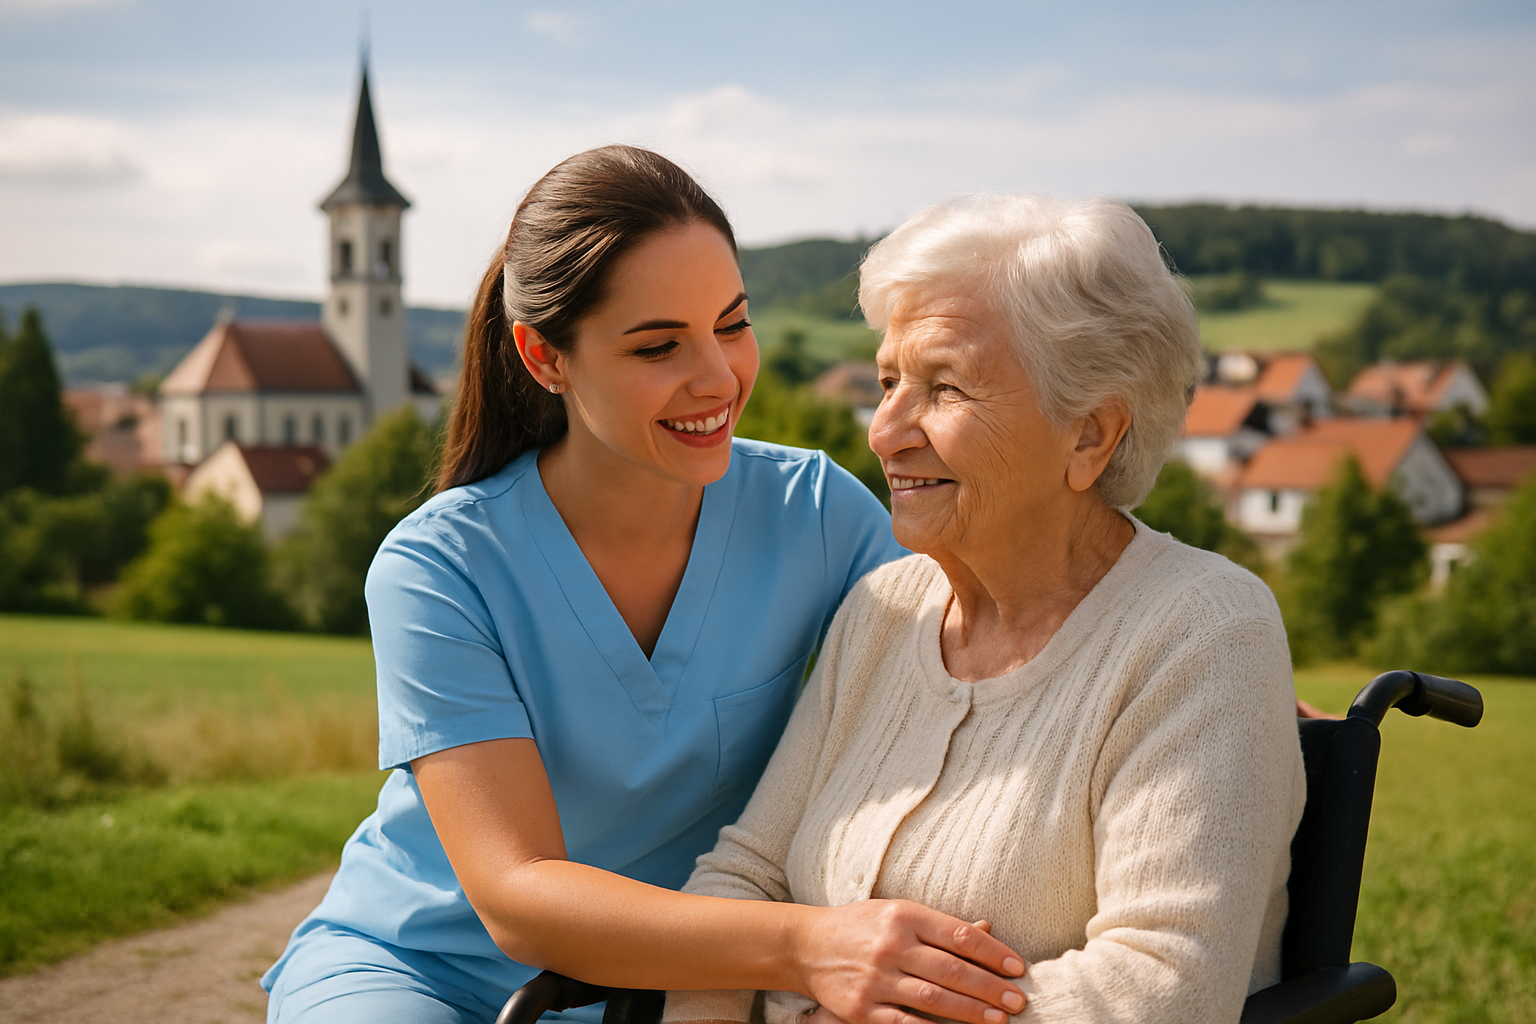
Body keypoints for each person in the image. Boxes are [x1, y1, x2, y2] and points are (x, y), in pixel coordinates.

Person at [261, 146, 1028, 1024]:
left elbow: (990, 665)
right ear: (545, 357)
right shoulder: (438, 567)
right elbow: (517, 898)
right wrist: (811, 945)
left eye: (732, 325)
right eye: (660, 345)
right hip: (421, 970)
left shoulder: (816, 513)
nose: (717, 377)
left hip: (692, 982)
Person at [663, 194, 1308, 1024]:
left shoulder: (1205, 632)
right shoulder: (882, 612)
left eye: (945, 388)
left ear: (1090, 436)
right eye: (888, 380)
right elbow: (744, 880)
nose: (885, 430)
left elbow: (1164, 987)